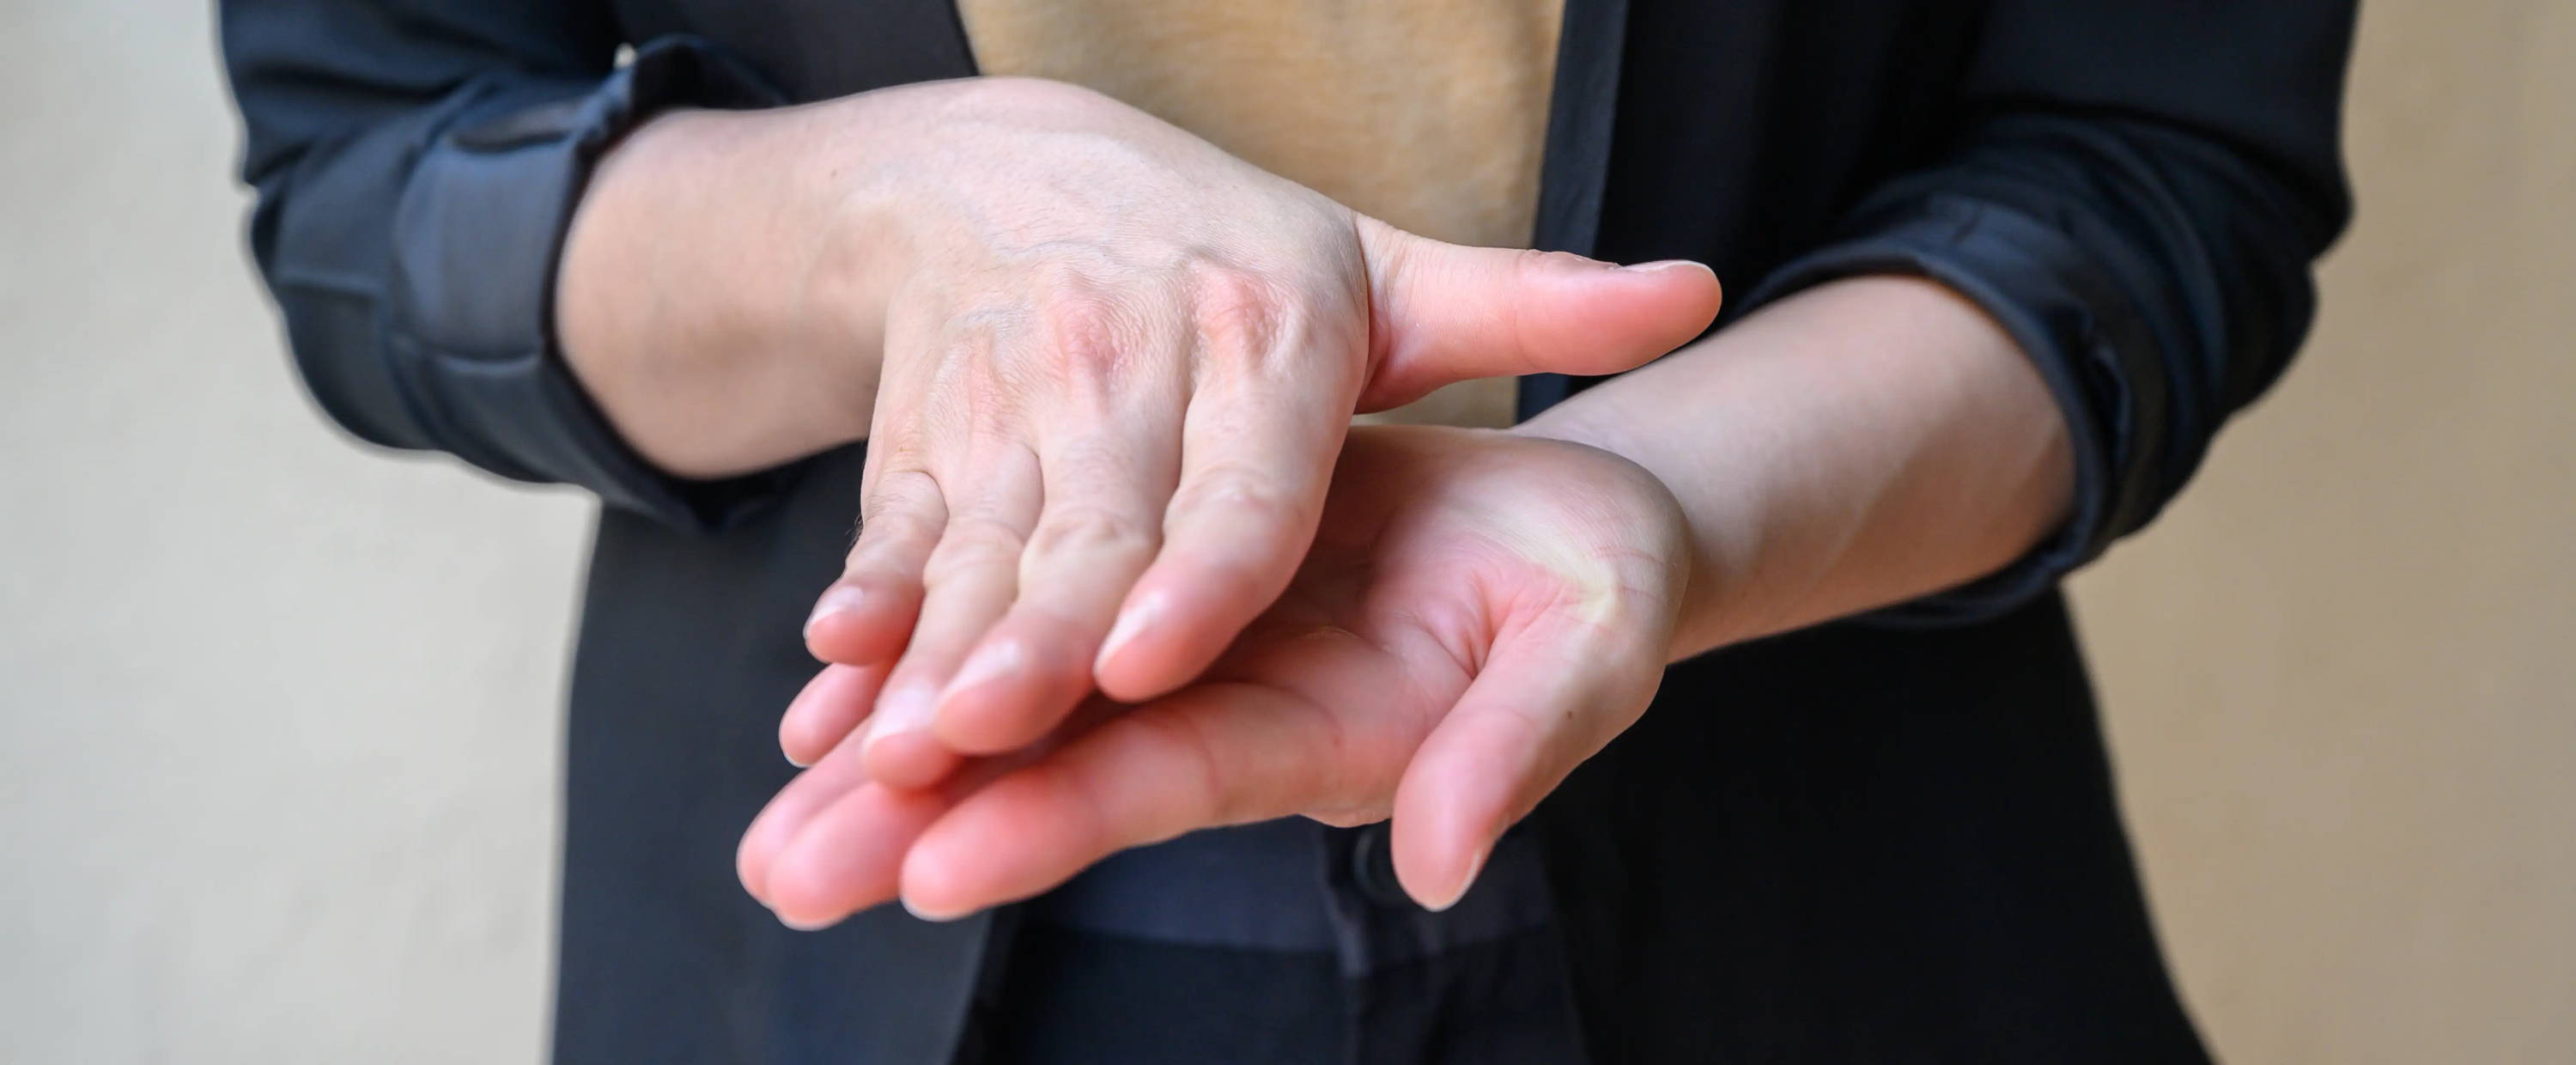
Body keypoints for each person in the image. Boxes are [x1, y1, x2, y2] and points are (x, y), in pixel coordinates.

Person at [220, 1, 2355, 1061]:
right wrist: (886, 222)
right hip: (865, 920)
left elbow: (2150, 157)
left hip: (1834, 899)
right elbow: (382, 186)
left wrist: (1662, 512)